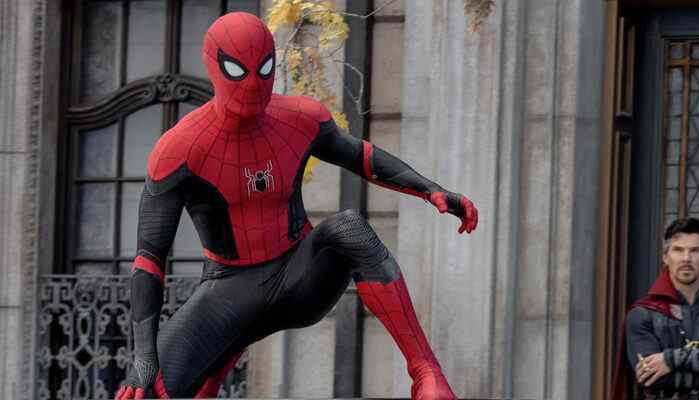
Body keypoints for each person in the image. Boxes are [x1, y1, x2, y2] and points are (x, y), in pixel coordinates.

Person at [114, 12, 477, 400]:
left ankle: (425, 373)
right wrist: (144, 358)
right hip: (229, 289)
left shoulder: (300, 118)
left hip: (299, 276)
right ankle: (212, 372)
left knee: (348, 227)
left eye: (264, 69)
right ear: (214, 66)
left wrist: (431, 190)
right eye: (238, 71)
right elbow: (149, 261)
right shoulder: (179, 149)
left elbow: (361, 156)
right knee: (145, 391)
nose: (253, 84)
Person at [611, 218, 699, 400]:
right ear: (666, 257)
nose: (686, 258)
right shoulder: (642, 314)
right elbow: (651, 377)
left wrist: (671, 359)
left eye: (694, 251)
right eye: (678, 250)